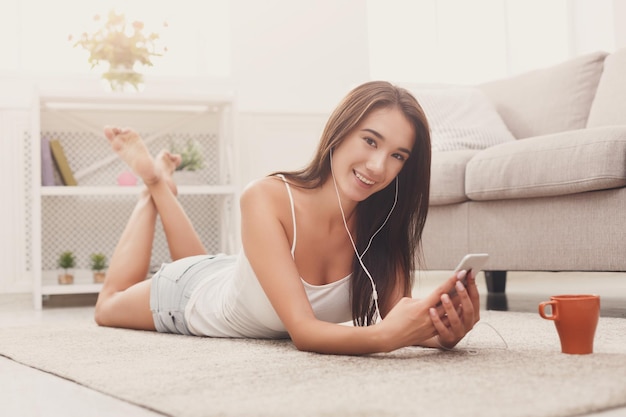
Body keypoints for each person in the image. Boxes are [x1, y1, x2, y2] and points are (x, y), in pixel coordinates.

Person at [94, 81, 480, 355]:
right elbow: (306, 333)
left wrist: (443, 332)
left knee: (210, 269)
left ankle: (161, 184)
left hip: (239, 278)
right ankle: (153, 186)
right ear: (340, 132)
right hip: (188, 295)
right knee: (108, 307)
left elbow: (400, 320)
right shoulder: (265, 197)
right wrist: (382, 339)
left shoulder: (384, 224)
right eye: (370, 140)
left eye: (398, 155)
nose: (378, 166)